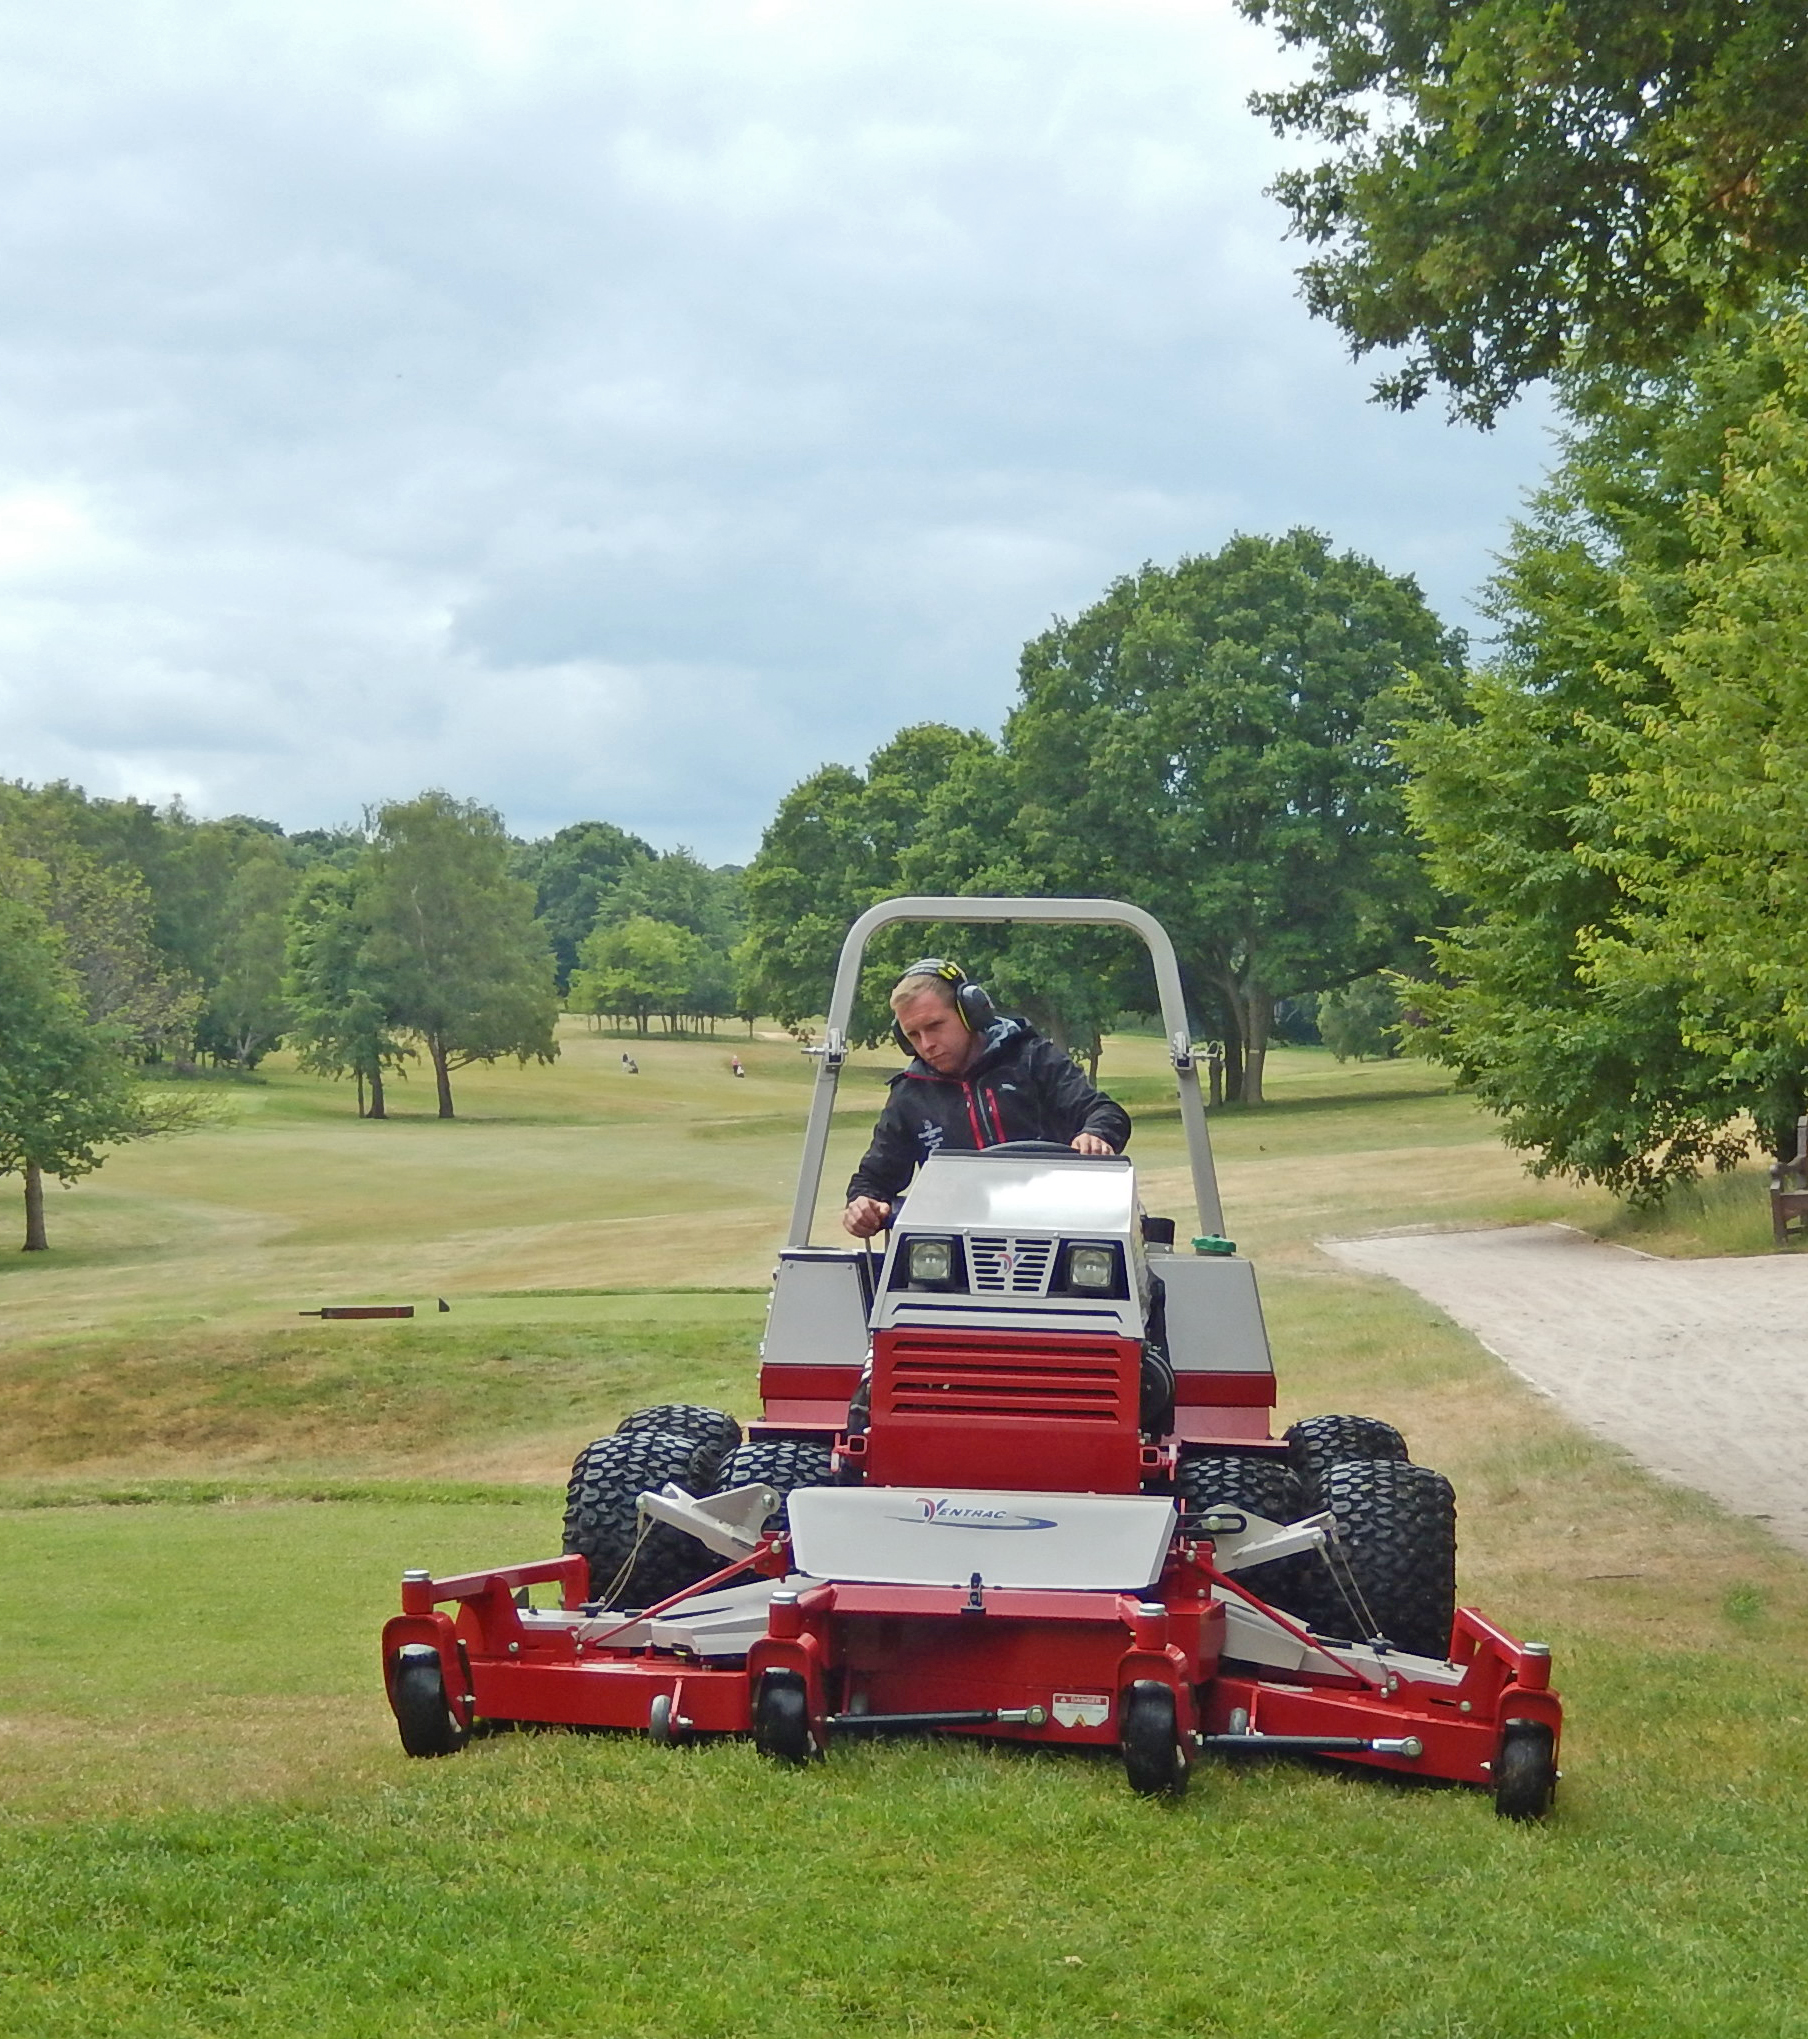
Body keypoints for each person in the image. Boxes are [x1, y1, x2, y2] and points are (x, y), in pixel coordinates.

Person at [841, 961, 1130, 1237]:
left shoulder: (1033, 1059)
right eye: (913, 1035)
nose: (927, 1045)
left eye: (935, 1026)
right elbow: (873, 1181)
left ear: (970, 1013)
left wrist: (1095, 1134)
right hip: (955, 1245)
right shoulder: (909, 1094)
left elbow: (1105, 1113)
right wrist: (863, 1205)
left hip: (1056, 1225)